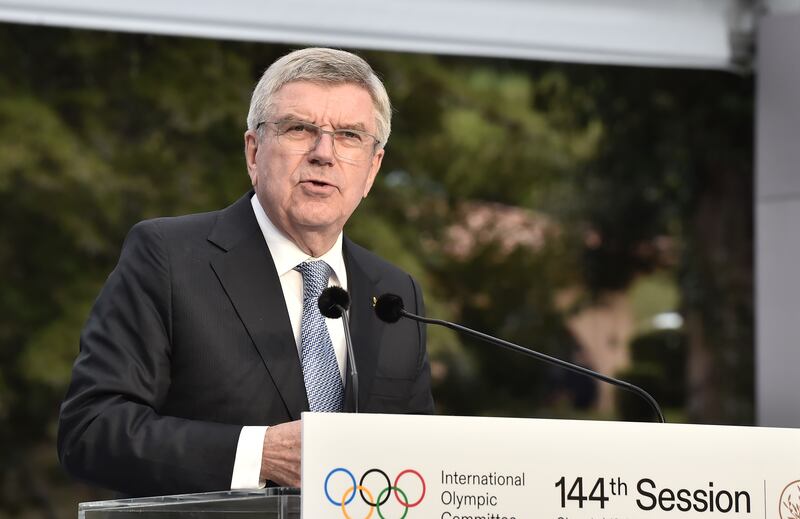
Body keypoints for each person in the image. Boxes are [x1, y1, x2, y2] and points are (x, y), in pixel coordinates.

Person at [57, 47, 434, 497]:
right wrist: (258, 453)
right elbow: (92, 430)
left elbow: (418, 460)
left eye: (350, 136)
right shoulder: (169, 257)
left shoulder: (395, 294)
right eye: (300, 129)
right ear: (254, 152)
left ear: (372, 169)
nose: (323, 154)